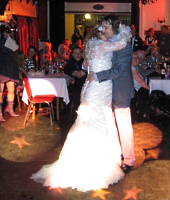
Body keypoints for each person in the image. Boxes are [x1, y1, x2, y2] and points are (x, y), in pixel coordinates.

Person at [31, 22, 131, 191]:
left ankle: (85, 158)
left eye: (107, 29)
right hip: (98, 88)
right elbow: (122, 43)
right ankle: (93, 165)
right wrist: (123, 31)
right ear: (98, 34)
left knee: (92, 122)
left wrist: (89, 65)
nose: (106, 33)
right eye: (103, 30)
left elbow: (86, 65)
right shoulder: (101, 45)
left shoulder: (93, 45)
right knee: (97, 123)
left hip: (95, 87)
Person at [88, 15, 135, 173]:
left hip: (120, 90)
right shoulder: (111, 42)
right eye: (102, 27)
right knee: (110, 125)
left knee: (124, 126)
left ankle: (129, 160)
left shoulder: (124, 46)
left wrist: (96, 76)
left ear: (115, 27)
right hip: (107, 90)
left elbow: (116, 71)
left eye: (106, 27)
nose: (103, 30)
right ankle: (116, 154)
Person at [0, 26, 19, 121]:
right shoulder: (1, 41)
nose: (8, 33)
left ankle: (10, 109)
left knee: (11, 89)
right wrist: (5, 38)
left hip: (11, 67)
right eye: (6, 31)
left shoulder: (11, 40)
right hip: (2, 68)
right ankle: (0, 113)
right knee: (0, 90)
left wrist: (9, 38)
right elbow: (4, 50)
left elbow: (15, 49)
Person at [64, 46, 86, 113]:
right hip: (75, 84)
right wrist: (73, 74)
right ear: (73, 54)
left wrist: (84, 73)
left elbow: (89, 71)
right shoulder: (71, 62)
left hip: (83, 83)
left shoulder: (84, 61)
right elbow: (66, 71)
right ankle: (77, 112)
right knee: (75, 93)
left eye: (79, 53)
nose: (78, 55)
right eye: (76, 53)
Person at [130, 52, 149, 123]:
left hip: (138, 89)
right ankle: (142, 113)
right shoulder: (131, 68)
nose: (136, 60)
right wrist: (149, 89)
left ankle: (143, 113)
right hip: (136, 90)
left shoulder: (136, 67)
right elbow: (140, 81)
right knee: (148, 93)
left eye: (137, 58)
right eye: (133, 58)